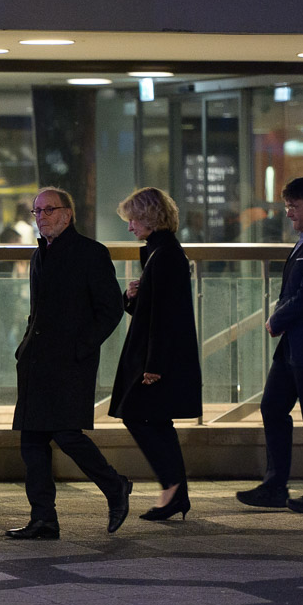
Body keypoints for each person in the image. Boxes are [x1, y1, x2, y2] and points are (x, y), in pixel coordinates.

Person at [9, 187, 131, 540]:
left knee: (66, 435)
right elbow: (38, 310)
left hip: (69, 363)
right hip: (36, 362)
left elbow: (111, 309)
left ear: (67, 213)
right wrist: (24, 348)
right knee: (32, 442)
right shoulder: (40, 254)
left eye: (49, 210)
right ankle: (43, 519)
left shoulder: (90, 253)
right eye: (37, 211)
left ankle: (115, 486)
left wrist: (82, 347)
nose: (42, 216)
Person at [237, 176, 303, 514]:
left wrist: (277, 319)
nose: (288, 213)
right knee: (272, 407)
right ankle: (275, 486)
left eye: (293, 206)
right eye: (287, 206)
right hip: (294, 347)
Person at [110, 188, 201, 521]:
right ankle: (175, 491)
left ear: (149, 217)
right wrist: (133, 296)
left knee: (137, 415)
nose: (130, 226)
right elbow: (154, 309)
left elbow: (165, 315)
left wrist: (154, 365)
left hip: (157, 358)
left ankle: (173, 488)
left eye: (134, 219)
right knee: (157, 420)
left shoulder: (164, 255)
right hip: (159, 355)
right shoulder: (159, 252)